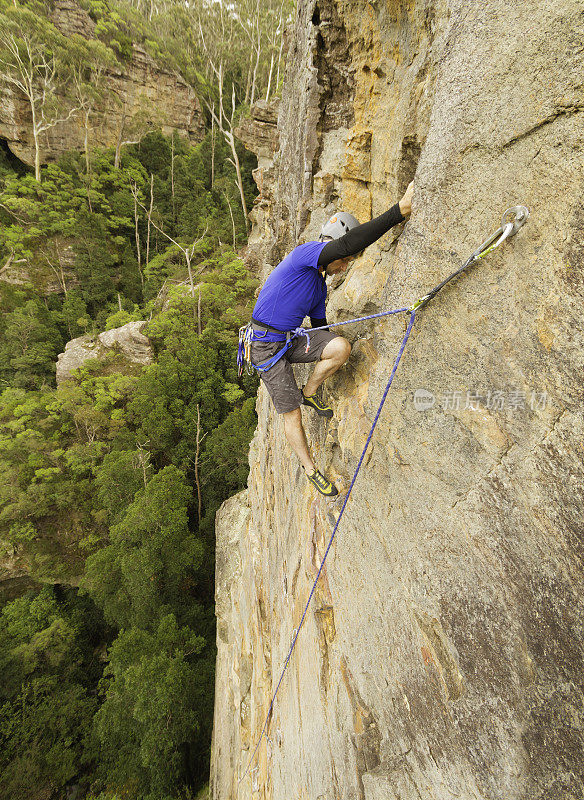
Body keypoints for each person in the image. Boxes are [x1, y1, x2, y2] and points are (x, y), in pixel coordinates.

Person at [249, 181, 414, 497]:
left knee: (339, 347)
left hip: (290, 339)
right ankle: (311, 470)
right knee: (292, 412)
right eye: (347, 258)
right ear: (336, 248)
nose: (346, 265)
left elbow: (321, 331)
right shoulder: (305, 254)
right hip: (265, 346)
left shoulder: (318, 287)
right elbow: (345, 245)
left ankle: (310, 391)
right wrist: (399, 211)